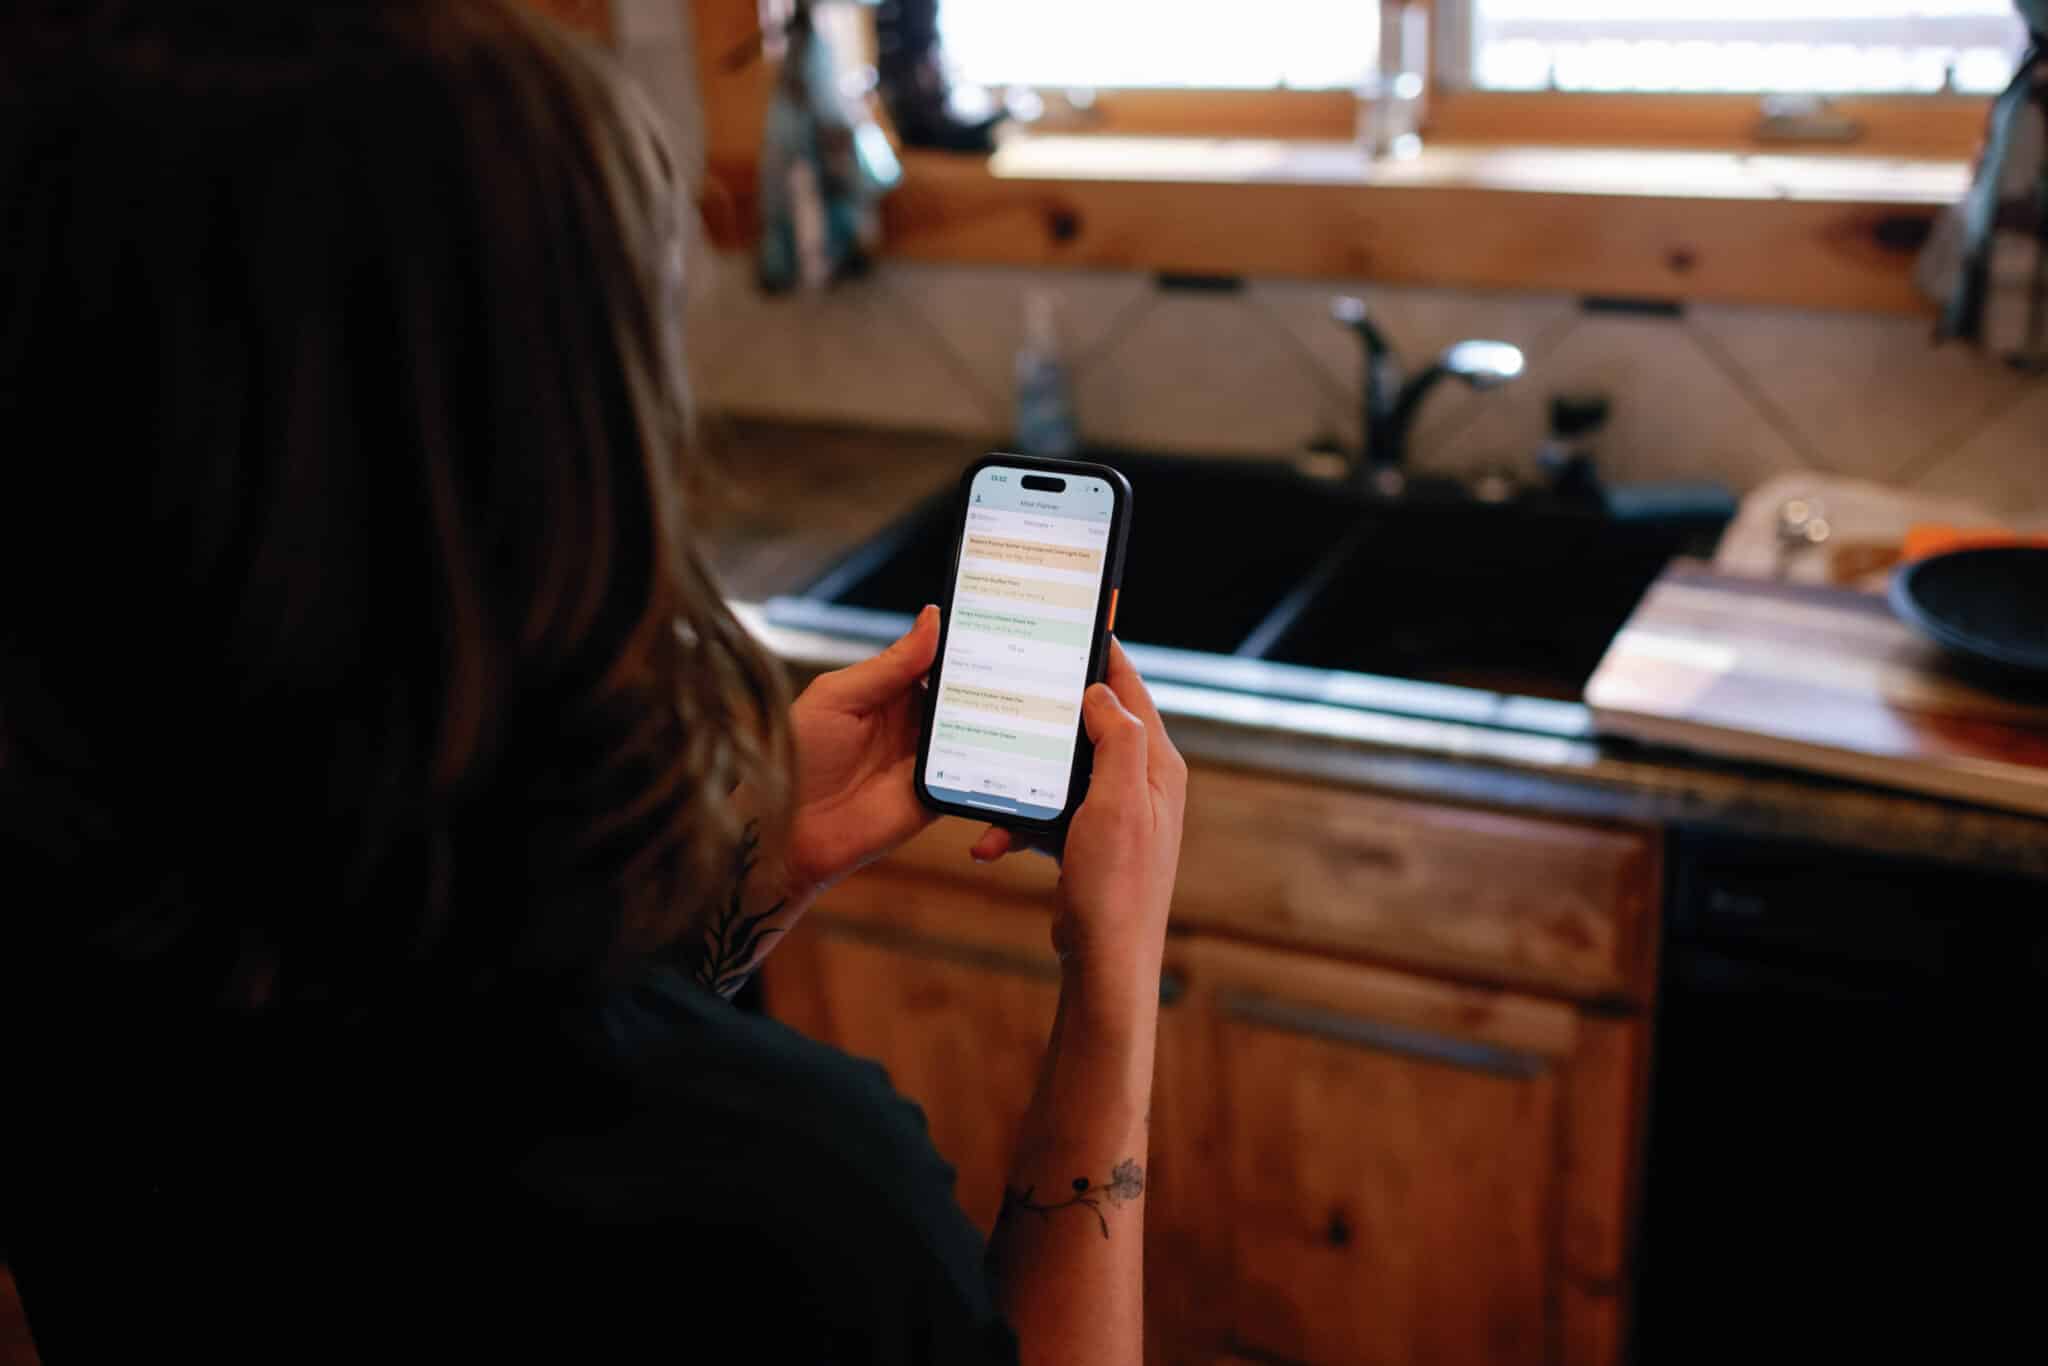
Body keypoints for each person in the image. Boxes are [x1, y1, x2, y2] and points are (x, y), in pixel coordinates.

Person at [0, 3, 1186, 1363]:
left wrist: (752, 881)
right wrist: (1110, 1001)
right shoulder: (793, 1201)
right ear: (560, 462)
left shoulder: (65, 972)